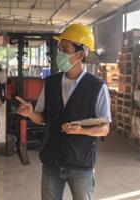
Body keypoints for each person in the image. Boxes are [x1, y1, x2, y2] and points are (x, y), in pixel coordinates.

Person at [15, 24, 111, 200]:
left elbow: (104, 128)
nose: (59, 53)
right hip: (52, 161)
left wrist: (81, 130)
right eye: (59, 48)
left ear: (80, 55)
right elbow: (43, 118)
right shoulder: (50, 83)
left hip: (81, 164)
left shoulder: (97, 87)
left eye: (65, 49)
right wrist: (30, 113)